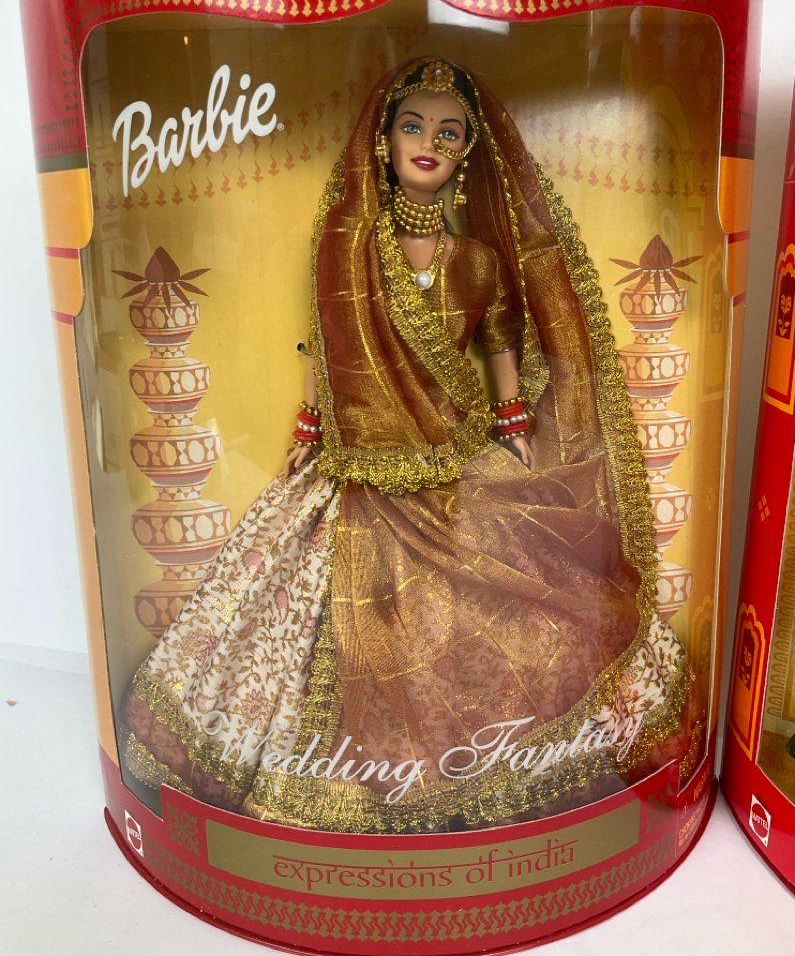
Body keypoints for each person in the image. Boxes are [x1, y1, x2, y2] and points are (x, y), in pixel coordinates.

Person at [124, 57, 701, 834]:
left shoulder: (479, 262)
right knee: (298, 616)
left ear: (468, 153)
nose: (430, 143)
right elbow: (326, 345)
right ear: (385, 139)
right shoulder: (347, 248)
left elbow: (500, 349)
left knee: (534, 605)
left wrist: (514, 433)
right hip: (356, 465)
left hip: (454, 463)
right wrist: (308, 431)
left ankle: (496, 767)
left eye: (449, 133)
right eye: (414, 126)